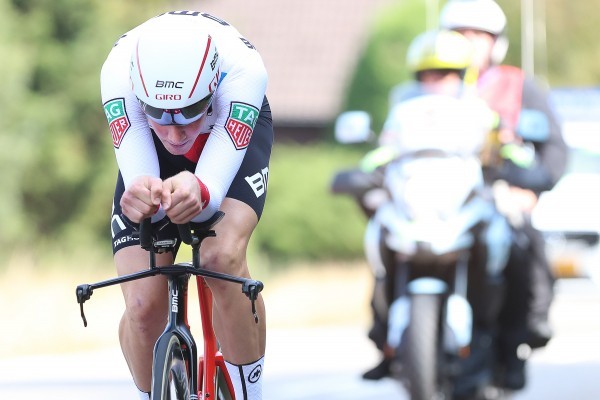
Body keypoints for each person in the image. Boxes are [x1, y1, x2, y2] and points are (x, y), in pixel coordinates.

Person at [101, 11, 272, 400]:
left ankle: (251, 393)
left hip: (227, 133)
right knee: (143, 305)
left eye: (190, 112)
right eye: (158, 114)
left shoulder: (244, 70)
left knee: (220, 257)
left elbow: (208, 190)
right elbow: (145, 188)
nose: (175, 133)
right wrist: (143, 198)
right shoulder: (117, 71)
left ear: (213, 87)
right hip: (150, 152)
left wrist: (201, 188)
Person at [343, 29, 504, 381]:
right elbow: (383, 151)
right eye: (427, 74)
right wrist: (363, 169)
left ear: (462, 76)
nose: (435, 82)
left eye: (444, 74)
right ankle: (383, 338)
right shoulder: (402, 116)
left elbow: (501, 147)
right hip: (412, 211)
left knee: (504, 240)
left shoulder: (480, 115)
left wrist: (510, 151)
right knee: (379, 240)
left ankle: (500, 338)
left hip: (461, 209)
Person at [439, 0, 567, 389]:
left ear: (496, 43)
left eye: (479, 35)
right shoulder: (430, 82)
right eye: (460, 34)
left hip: (500, 191)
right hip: (440, 197)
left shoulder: (520, 85)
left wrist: (530, 187)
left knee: (522, 243)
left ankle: (517, 340)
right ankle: (389, 338)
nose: (470, 43)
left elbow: (555, 149)